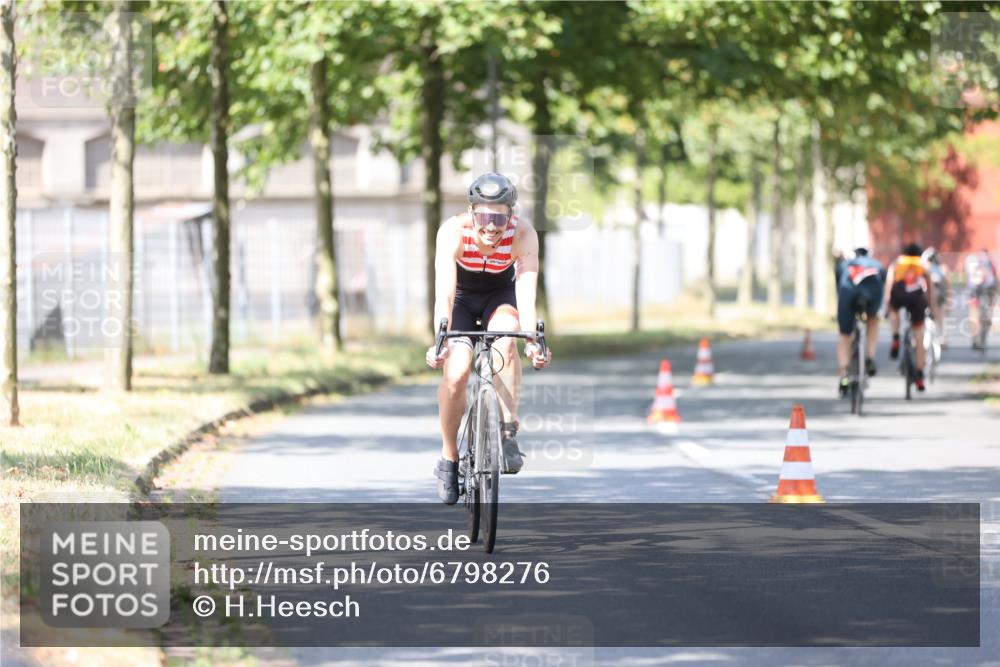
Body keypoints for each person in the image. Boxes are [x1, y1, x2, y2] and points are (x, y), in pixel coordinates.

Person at [425, 173, 551, 505]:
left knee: (506, 344)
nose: (491, 226)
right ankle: (449, 458)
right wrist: (441, 339)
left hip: (500, 296)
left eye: (499, 217)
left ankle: (508, 430)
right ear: (471, 213)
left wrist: (533, 341)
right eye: (484, 216)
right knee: (456, 375)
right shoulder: (453, 231)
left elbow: (525, 292)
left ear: (512, 214)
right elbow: (446, 294)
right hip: (462, 301)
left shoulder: (523, 234)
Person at [884, 243, 938, 392]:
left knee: (895, 311)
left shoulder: (898, 262)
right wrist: (931, 307)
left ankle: (895, 337)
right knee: (919, 335)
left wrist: (888, 307)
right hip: (917, 298)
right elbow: (930, 288)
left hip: (900, 293)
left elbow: (889, 284)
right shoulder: (923, 264)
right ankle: (920, 376)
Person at [834, 247, 885, 396]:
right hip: (873, 293)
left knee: (844, 335)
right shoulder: (876, 264)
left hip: (848, 292)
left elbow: (839, 285)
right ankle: (870, 358)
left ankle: (844, 374)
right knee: (873, 319)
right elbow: (882, 283)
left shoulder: (845, 264)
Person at [965, 248, 997, 349]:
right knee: (988, 313)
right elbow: (995, 278)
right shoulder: (990, 262)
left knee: (974, 314)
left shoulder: (973, 261)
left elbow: (968, 278)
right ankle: (987, 323)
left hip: (974, 290)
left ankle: (974, 338)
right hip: (988, 289)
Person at [922, 247, 950, 347]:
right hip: (937, 295)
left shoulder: (926, 267)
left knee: (932, 315)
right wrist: (948, 301)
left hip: (930, 295)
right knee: (940, 315)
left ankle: (938, 336)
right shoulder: (942, 268)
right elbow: (948, 285)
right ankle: (942, 336)